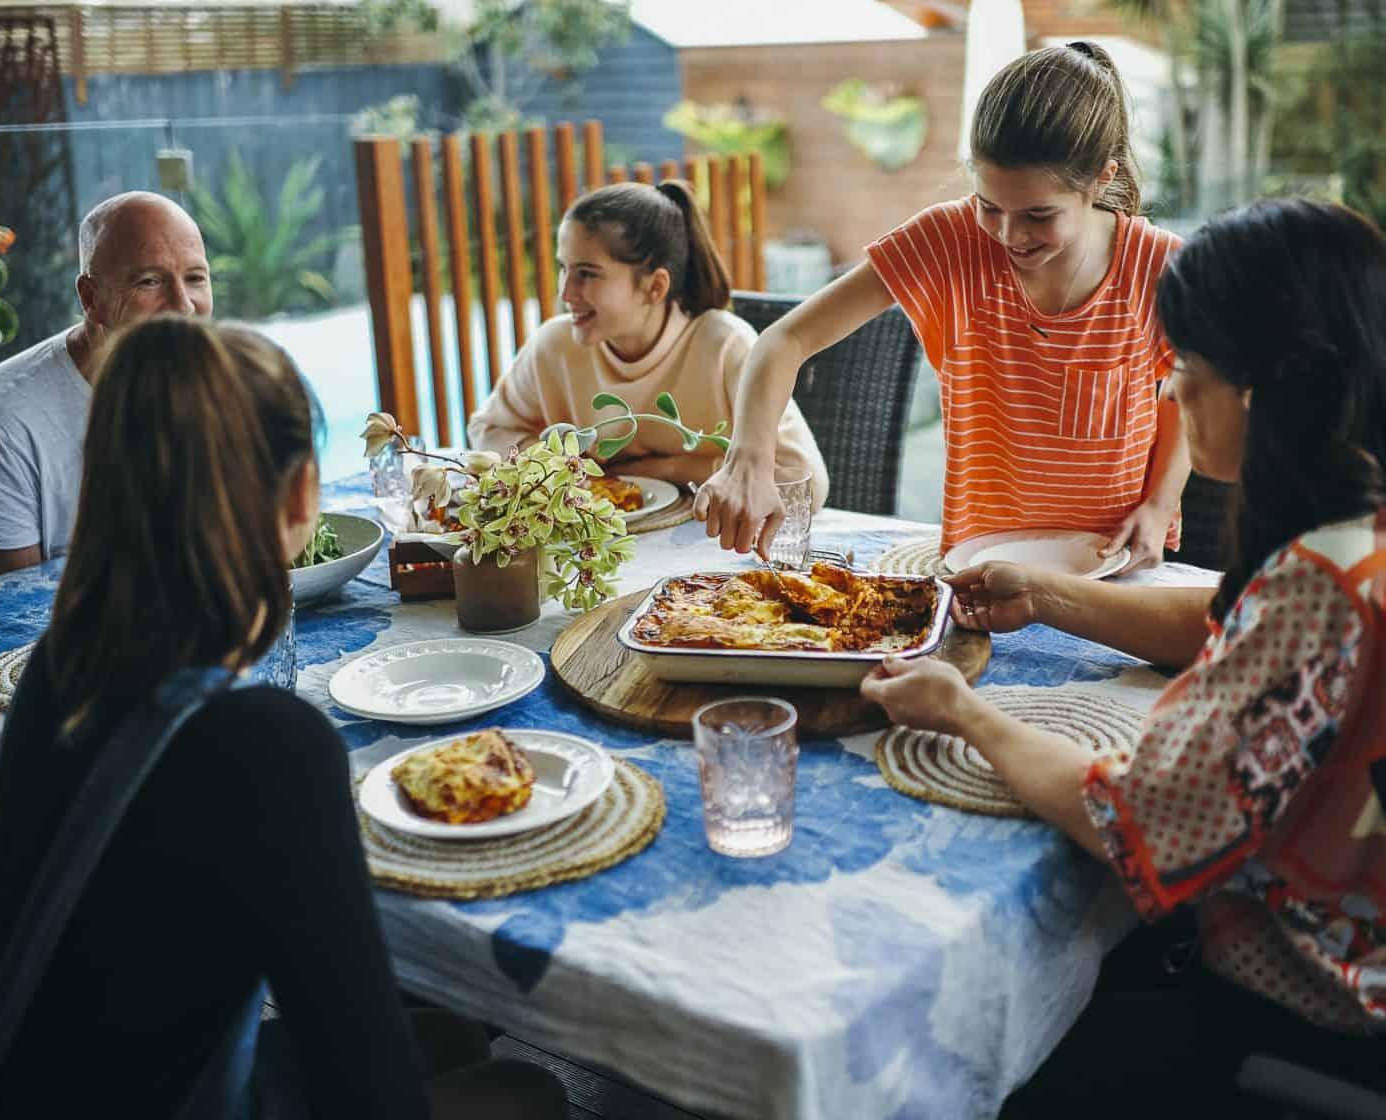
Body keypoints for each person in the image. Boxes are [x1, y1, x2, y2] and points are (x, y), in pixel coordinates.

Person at [860, 198, 1386, 1115]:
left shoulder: (1318, 582)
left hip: (1303, 1006)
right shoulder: (1353, 527)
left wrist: (961, 711)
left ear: (1260, 389)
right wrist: (1053, 596)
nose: (1169, 392)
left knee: (973, 1042)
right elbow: (1230, 622)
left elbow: (1129, 822)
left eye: (1184, 366)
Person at [0, 317, 567, 1119]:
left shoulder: (61, 669)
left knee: (454, 1038)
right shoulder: (264, 744)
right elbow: (372, 1096)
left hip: (43, 1086)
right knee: (527, 1089)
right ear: (301, 499)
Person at [694, 42, 1189, 569]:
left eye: (1039, 215)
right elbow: (784, 340)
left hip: (1111, 571)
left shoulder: (1158, 268)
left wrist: (1161, 505)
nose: (1008, 234)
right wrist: (750, 457)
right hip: (979, 568)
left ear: (1101, 181)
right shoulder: (947, 239)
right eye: (989, 205)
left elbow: (1189, 384)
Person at [467, 180, 829, 507]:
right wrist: (558, 463)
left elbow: (805, 485)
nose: (565, 292)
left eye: (587, 274)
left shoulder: (726, 347)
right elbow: (488, 432)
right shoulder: (554, 346)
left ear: (655, 286)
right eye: (564, 269)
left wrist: (663, 468)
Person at [0, 191, 212, 578]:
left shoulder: (220, 382)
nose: (184, 305)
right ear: (91, 298)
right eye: (149, 281)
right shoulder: (6, 426)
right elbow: (11, 617)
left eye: (195, 278)